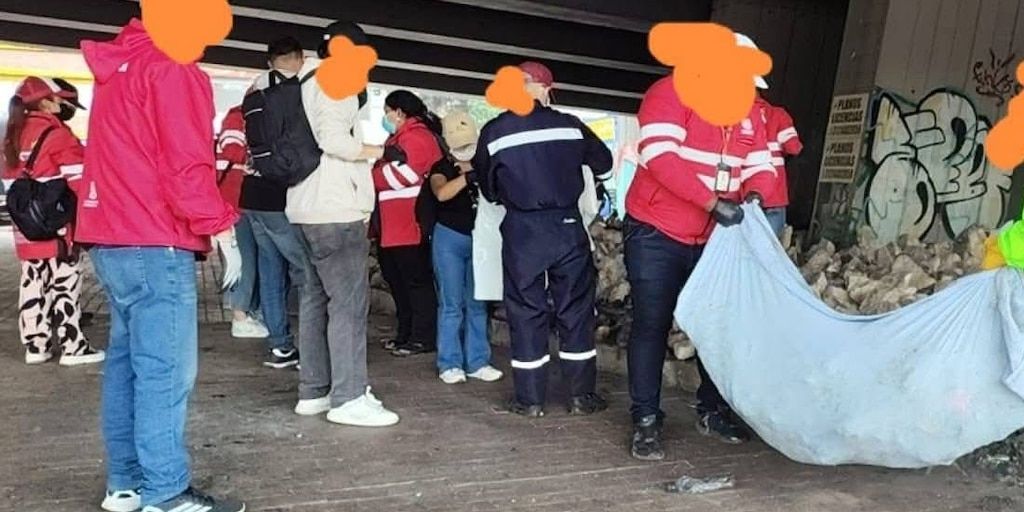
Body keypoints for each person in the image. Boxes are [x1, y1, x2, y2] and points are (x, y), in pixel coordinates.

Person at [77, 19, 245, 512]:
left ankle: (125, 484)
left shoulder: (120, 65)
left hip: (110, 234)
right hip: (154, 238)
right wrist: (220, 225)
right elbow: (186, 163)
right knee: (165, 372)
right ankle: (166, 491)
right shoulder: (173, 68)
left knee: (126, 366)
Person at [623, 34, 777, 461]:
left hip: (715, 237)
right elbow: (661, 157)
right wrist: (711, 203)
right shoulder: (669, 93)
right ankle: (646, 419)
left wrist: (755, 194)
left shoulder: (749, 111)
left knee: (718, 328)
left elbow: (763, 163)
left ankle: (712, 411)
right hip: (657, 230)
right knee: (651, 324)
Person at [470, 61, 614, 417]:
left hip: (522, 230)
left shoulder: (494, 131)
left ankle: (530, 400)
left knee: (525, 311)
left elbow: (488, 191)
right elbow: (606, 165)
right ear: (546, 89)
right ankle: (581, 396)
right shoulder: (570, 126)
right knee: (575, 310)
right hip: (566, 225)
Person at [287, 21, 398, 427]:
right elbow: (332, 140)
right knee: (349, 306)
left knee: (315, 301)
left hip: (304, 206)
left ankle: (314, 391)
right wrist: (376, 151)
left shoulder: (303, 83)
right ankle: (349, 397)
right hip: (336, 209)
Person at [2, 76, 104, 366]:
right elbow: (80, 181)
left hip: (26, 225)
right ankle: (73, 346)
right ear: (45, 102)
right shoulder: (57, 135)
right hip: (56, 225)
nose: (64, 105)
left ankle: (36, 346)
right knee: (65, 281)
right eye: (60, 100)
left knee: (32, 281)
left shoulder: (11, 136)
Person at [240, 36, 324, 370]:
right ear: (299, 57)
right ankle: (314, 351)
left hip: (252, 193)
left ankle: (281, 346)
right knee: (307, 271)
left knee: (271, 272)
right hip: (279, 194)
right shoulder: (297, 88)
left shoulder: (254, 89)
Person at [429, 110, 503, 384]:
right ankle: (449, 363)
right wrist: (468, 177)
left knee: (478, 303)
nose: (464, 149)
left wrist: (480, 171)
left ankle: (477, 361)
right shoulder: (441, 167)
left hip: (481, 239)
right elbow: (441, 193)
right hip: (449, 238)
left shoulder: (487, 162)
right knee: (452, 304)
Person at [372, 90, 441, 358]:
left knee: (416, 284)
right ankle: (405, 335)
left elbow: (404, 176)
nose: (386, 117)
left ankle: (422, 337)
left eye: (387, 112)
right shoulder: (398, 139)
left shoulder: (419, 137)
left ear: (399, 112)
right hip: (390, 226)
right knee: (398, 282)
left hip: (409, 223)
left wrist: (373, 174)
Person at [216, 104, 271, 341]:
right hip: (234, 202)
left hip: (242, 200)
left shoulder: (242, 117)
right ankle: (239, 316)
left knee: (248, 259)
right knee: (242, 260)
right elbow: (232, 151)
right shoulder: (238, 118)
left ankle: (246, 312)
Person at [756, 96, 803, 236]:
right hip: (774, 195)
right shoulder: (778, 115)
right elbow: (794, 148)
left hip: (744, 196)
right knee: (769, 245)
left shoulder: (737, 116)